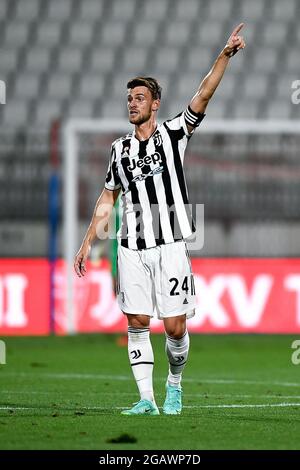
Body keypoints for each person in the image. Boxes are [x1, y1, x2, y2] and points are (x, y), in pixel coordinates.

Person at [74, 24, 245, 415]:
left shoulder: (174, 133)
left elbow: (203, 94)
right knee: (136, 320)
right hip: (131, 246)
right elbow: (108, 195)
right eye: (129, 98)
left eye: (139, 98)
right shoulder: (118, 150)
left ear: (155, 104)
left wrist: (224, 55)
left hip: (170, 245)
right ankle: (146, 399)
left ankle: (174, 386)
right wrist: (88, 242)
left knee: (174, 327)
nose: (132, 103)